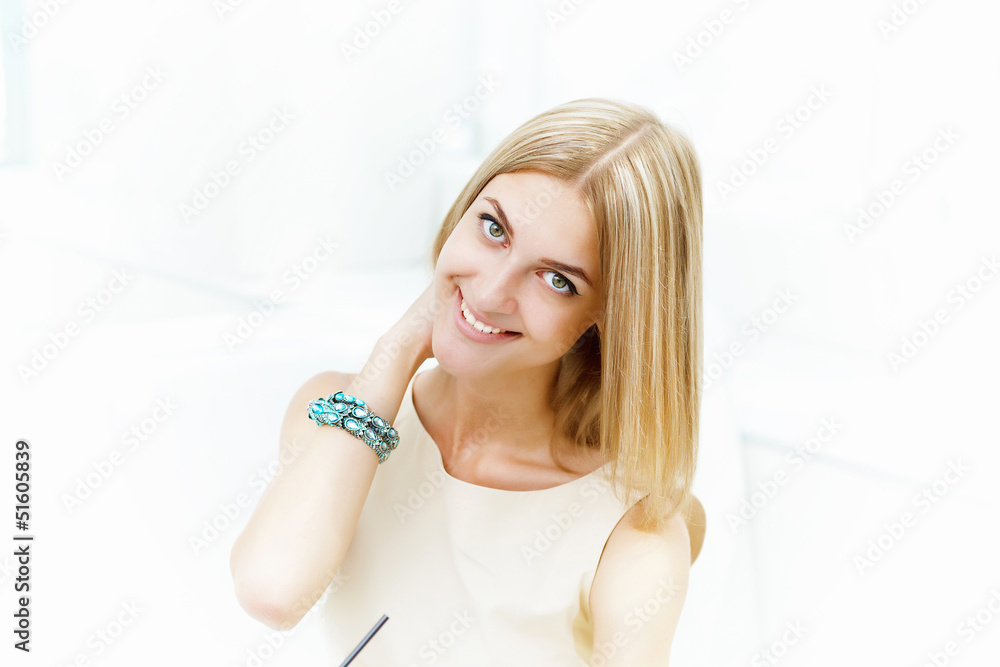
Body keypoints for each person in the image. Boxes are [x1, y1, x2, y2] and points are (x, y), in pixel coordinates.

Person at [229, 97, 707, 666]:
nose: (489, 292)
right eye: (493, 228)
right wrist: (398, 348)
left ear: (609, 318)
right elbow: (272, 593)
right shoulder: (334, 415)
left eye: (557, 279)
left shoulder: (633, 529)